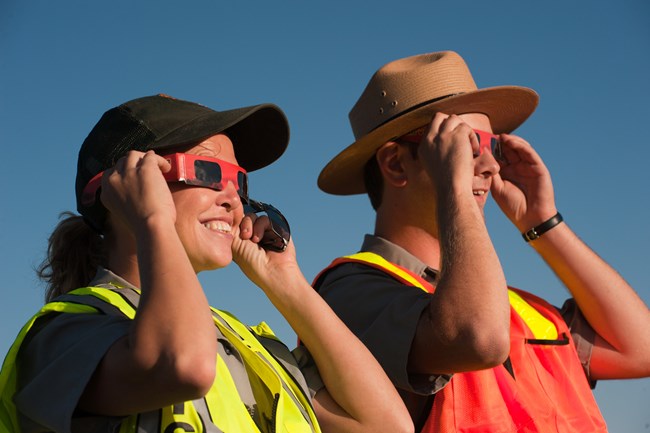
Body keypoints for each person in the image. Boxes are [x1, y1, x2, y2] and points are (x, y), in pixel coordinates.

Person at [0, 94, 413, 433]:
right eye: (206, 171)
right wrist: (152, 220)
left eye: (239, 182)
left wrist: (287, 284)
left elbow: (386, 425)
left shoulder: (245, 344)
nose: (234, 200)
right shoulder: (68, 331)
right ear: (123, 187)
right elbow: (183, 367)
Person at [313, 51, 650, 432]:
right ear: (395, 164)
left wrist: (542, 222)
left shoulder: (521, 308)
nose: (491, 165)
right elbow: (478, 339)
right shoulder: (351, 291)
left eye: (494, 148)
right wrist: (455, 187)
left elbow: (640, 349)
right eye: (466, 144)